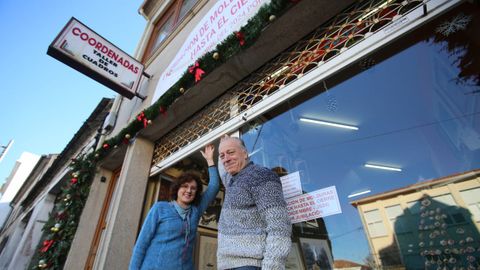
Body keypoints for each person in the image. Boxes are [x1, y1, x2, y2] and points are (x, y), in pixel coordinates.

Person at [129, 145, 219, 270]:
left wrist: (210, 160)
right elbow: (141, 245)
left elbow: (214, 186)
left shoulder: (195, 211)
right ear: (177, 188)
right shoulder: (160, 208)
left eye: (193, 188)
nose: (189, 191)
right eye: (185, 186)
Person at [217, 136, 292, 270]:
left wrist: (272, 267)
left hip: (249, 265)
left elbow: (279, 225)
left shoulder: (261, 176)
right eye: (222, 156)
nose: (226, 159)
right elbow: (223, 169)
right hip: (226, 265)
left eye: (231, 152)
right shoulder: (231, 180)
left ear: (245, 153)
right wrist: (215, 155)